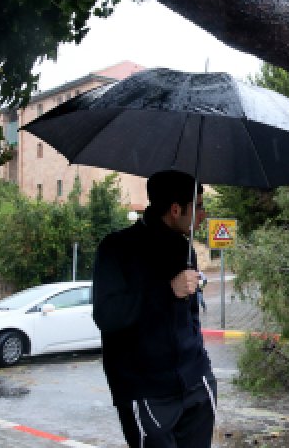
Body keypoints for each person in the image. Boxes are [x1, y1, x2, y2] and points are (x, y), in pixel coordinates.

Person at [92, 170, 216, 447]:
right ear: (175, 209)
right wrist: (166, 290)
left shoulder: (186, 252)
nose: (203, 215)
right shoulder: (116, 249)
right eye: (198, 206)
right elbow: (107, 315)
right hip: (145, 391)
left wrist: (202, 369)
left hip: (196, 385)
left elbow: (190, 316)